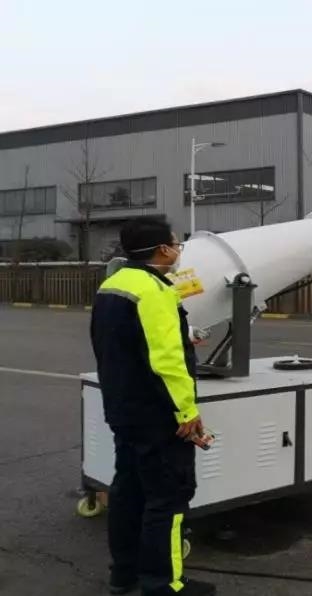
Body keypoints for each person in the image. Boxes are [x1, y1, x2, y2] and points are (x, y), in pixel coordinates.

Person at [90, 217, 215, 596]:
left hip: (124, 409)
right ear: (162, 250)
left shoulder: (114, 284)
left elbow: (120, 346)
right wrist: (187, 411)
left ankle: (124, 575)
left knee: (128, 493)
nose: (178, 251)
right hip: (158, 416)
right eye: (176, 244)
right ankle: (164, 585)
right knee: (168, 498)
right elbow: (166, 361)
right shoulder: (155, 289)